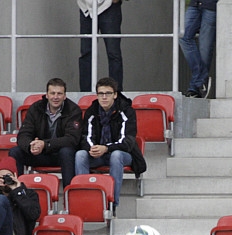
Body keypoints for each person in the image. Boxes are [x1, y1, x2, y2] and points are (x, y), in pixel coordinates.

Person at [75, 76, 145, 211]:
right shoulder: (92, 111)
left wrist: (106, 148)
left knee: (116, 155)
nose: (104, 97)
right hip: (99, 155)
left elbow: (127, 142)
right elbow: (85, 136)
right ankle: (85, 201)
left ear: (115, 95)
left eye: (108, 93)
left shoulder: (126, 111)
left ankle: (111, 203)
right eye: (101, 94)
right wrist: (92, 148)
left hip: (124, 154)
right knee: (80, 155)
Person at [10, 78, 82, 189]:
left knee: (67, 152)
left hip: (61, 154)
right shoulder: (36, 108)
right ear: (47, 95)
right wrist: (30, 146)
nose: (55, 97)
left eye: (59, 94)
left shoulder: (73, 110)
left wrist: (45, 144)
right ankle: (17, 191)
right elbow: (23, 134)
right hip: (40, 153)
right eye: (52, 93)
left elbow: (72, 139)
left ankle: (68, 193)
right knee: (15, 152)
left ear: (64, 96)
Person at [78, 0, 123, 92]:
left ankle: (116, 92)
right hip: (85, 8)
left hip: (109, 7)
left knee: (113, 53)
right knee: (86, 53)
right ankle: (85, 93)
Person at [180, 0, 215, 98]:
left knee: (205, 47)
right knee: (183, 36)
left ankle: (195, 88)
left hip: (212, 5)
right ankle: (201, 78)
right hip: (195, 3)